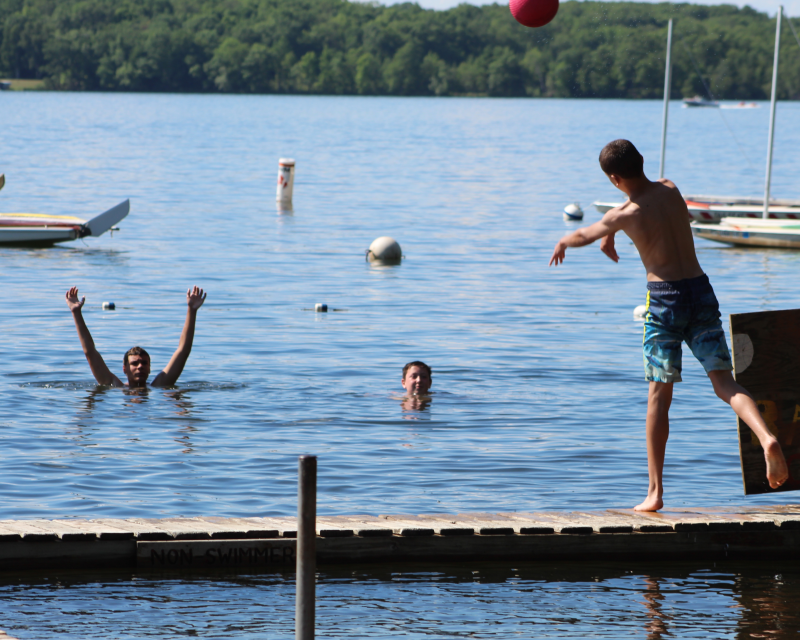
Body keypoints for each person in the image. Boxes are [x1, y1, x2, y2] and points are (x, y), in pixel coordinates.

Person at [548, 139, 788, 511]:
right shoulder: (670, 188)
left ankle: (655, 492)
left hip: (664, 302)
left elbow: (586, 232)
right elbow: (643, 199)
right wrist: (614, 227)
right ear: (641, 162)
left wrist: (566, 239)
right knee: (724, 383)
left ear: (613, 179)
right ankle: (767, 436)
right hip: (701, 291)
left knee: (659, 397)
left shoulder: (622, 215)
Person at [66, 285, 207, 388]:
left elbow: (183, 352)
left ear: (150, 368)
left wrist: (191, 311)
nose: (140, 367)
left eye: (144, 363)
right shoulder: (114, 385)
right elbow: (90, 352)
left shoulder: (159, 385)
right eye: (134, 363)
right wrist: (76, 313)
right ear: (124, 369)